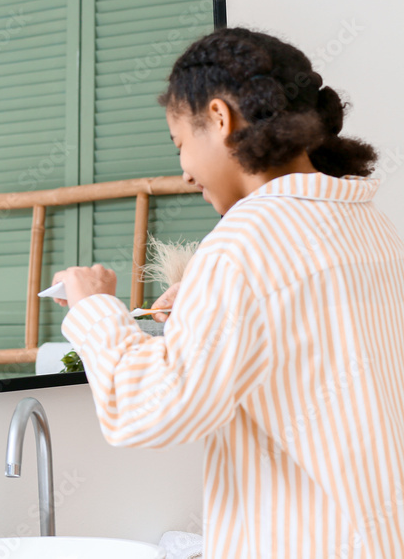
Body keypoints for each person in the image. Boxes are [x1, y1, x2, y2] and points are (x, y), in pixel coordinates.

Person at [52, 28, 404, 557]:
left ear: (219, 118)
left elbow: (149, 412)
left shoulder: (244, 241)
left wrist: (94, 306)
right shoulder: (367, 223)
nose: (185, 171)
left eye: (180, 145)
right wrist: (195, 309)